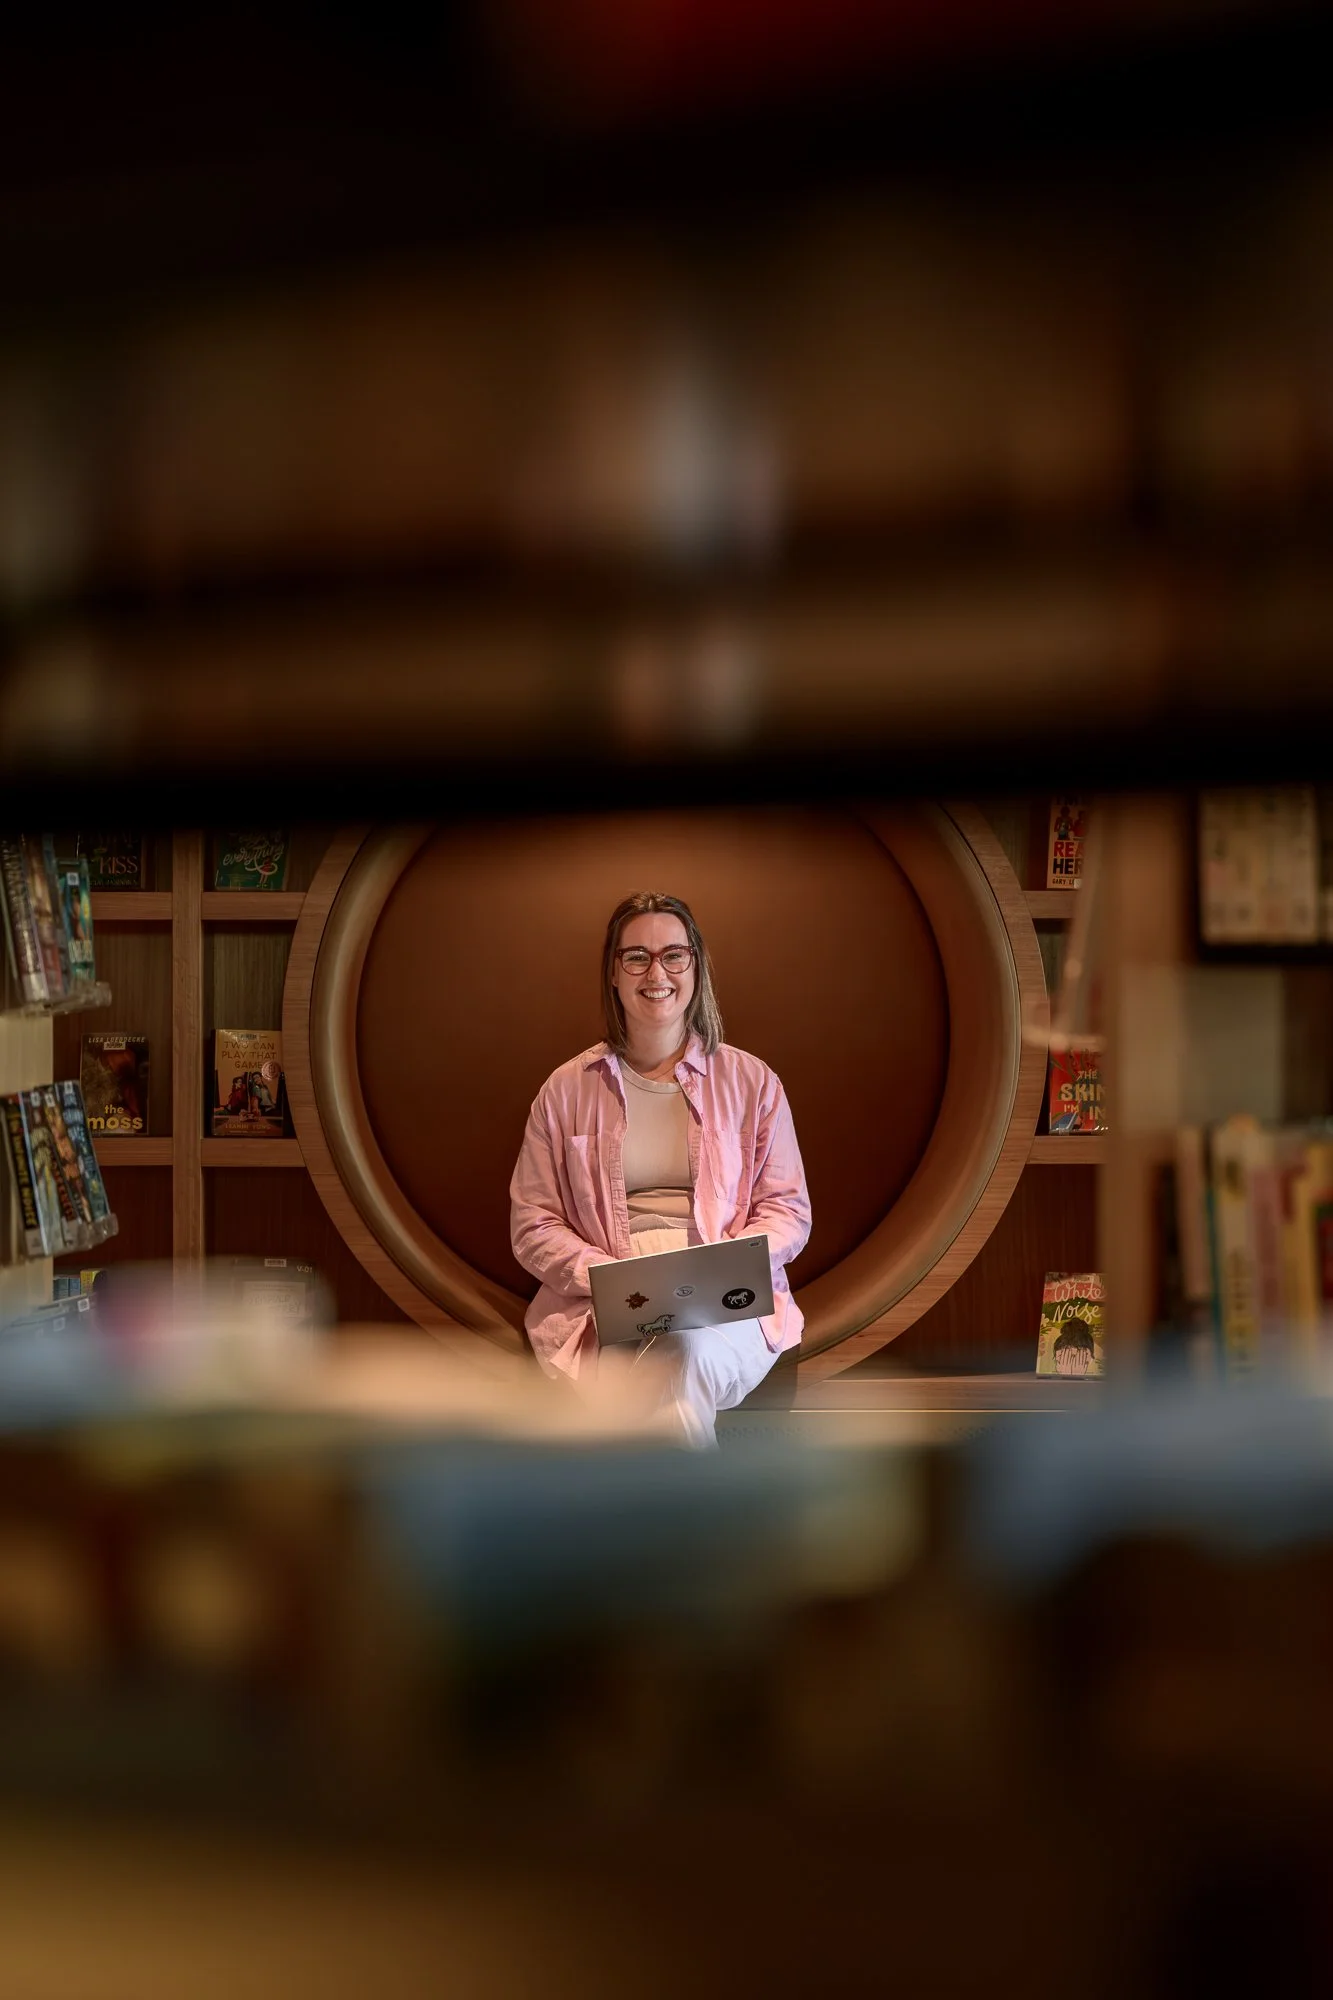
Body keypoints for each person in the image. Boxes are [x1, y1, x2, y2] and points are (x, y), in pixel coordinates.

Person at [510, 891, 811, 1446]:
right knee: (668, 1358)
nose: (657, 973)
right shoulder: (565, 1090)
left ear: (695, 967)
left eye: (674, 955)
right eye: (637, 957)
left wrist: (724, 1269)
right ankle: (694, 1505)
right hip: (601, 1298)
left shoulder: (754, 1082)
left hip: (728, 1304)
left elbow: (787, 1211)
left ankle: (644, 1503)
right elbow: (534, 1225)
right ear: (614, 973)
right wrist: (609, 1281)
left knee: (681, 1348)